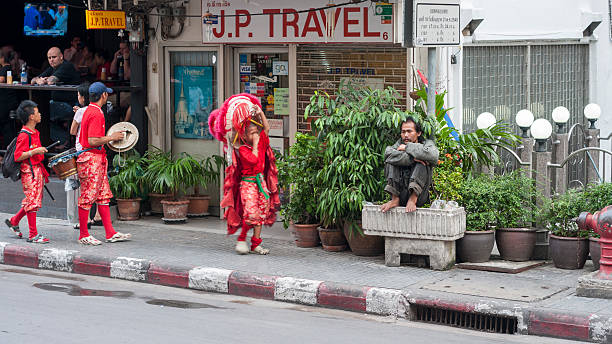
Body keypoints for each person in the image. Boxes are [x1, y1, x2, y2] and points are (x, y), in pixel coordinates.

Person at [209, 94, 281, 255]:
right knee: (252, 213)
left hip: (260, 182)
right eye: (252, 131)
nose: (256, 132)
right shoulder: (242, 149)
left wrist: (259, 112)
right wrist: (255, 144)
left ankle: (255, 243)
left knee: (262, 212)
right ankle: (242, 239)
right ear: (245, 136)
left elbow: (267, 127)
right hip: (248, 184)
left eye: (256, 130)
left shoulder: (261, 139)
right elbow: (254, 160)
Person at [76, 82, 131, 245]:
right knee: (88, 196)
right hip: (92, 158)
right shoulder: (96, 113)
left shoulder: (89, 110)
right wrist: (112, 137)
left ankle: (110, 232)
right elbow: (92, 140)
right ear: (104, 95)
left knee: (102, 196)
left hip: (94, 158)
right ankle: (84, 235)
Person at [4, 100, 50, 244]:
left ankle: (14, 221)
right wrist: (35, 151)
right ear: (31, 116)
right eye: (37, 112)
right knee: (33, 201)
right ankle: (33, 235)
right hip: (29, 171)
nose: (40, 114)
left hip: (36, 170)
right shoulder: (25, 135)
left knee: (33, 200)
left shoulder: (34, 132)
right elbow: (18, 156)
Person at [380, 117, 439, 213]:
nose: (405, 135)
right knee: (391, 161)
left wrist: (407, 147)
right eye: (403, 132)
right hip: (400, 192)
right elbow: (388, 154)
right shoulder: (398, 144)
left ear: (418, 133)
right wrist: (412, 158)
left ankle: (412, 198)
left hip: (419, 195)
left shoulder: (427, 144)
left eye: (409, 131)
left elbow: (434, 156)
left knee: (423, 162)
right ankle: (395, 199)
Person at [32, 47, 81, 151]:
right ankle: (62, 140)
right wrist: (38, 79)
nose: (51, 60)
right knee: (41, 113)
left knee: (42, 113)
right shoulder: (52, 68)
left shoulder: (66, 66)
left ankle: (63, 141)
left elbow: (51, 81)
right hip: (58, 103)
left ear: (61, 57)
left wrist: (43, 80)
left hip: (71, 105)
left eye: (54, 57)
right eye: (49, 58)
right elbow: (33, 80)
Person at [68, 82, 100, 229]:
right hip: (96, 150)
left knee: (84, 186)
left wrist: (76, 114)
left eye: (78, 95)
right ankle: (98, 215)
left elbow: (73, 131)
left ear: (82, 97)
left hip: (82, 151)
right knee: (98, 183)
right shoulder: (97, 110)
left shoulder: (81, 112)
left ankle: (85, 220)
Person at [0, 50, 19, 149]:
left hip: (6, 103)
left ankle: (7, 151)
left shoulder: (6, 67)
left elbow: (2, 80)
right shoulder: (8, 68)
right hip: (6, 102)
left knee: (6, 127)